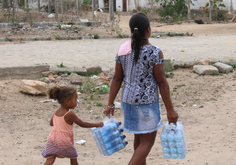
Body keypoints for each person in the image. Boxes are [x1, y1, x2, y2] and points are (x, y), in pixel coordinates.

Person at [103, 13, 178, 165]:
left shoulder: (123, 49)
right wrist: (170, 109)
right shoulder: (155, 52)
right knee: (147, 142)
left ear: (132, 31)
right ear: (148, 30)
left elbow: (117, 78)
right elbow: (162, 82)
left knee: (139, 138)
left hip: (128, 102)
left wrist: (110, 103)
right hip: (147, 104)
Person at [42, 86, 103, 165]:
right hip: (64, 140)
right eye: (75, 100)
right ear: (67, 101)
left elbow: (51, 123)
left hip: (52, 138)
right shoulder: (69, 114)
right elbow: (82, 124)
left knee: (50, 159)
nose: (77, 102)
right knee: (73, 157)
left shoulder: (57, 111)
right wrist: (97, 124)